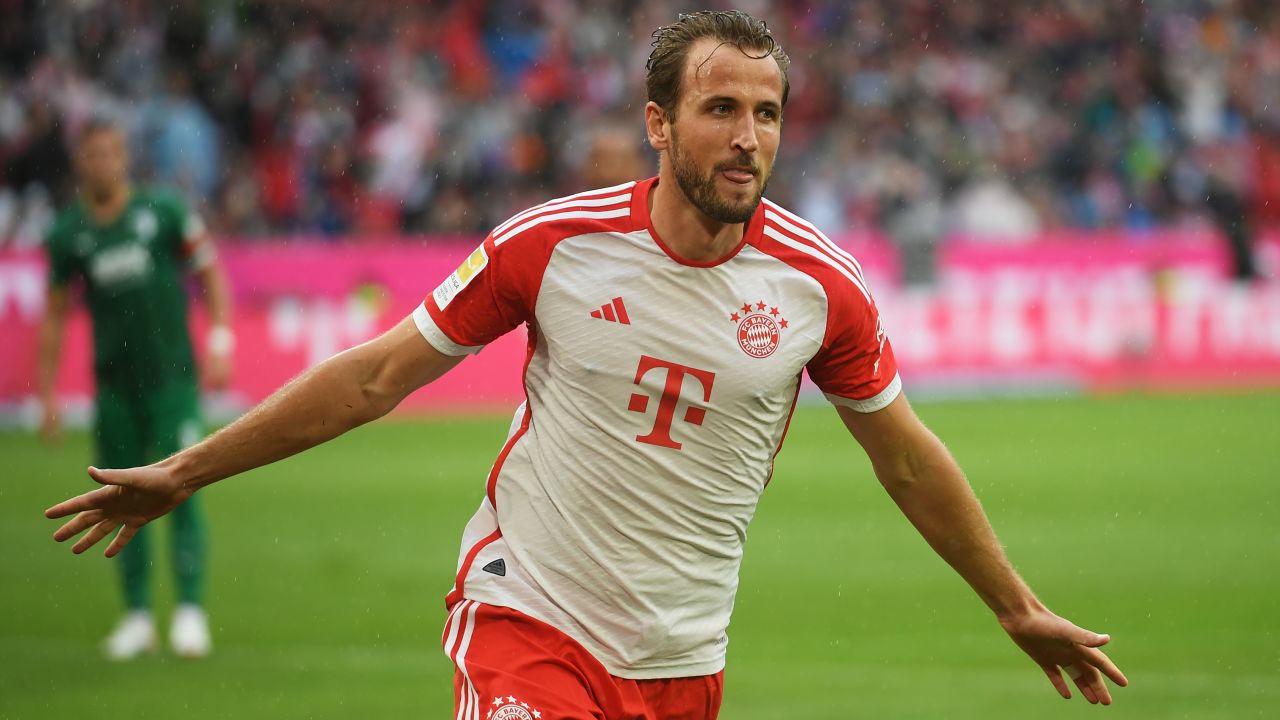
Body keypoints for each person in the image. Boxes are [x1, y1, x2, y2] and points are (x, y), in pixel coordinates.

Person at [45, 11, 1126, 717]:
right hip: (528, 620)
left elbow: (903, 458)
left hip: (681, 662)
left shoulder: (820, 287)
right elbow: (375, 377)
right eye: (719, 109)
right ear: (658, 125)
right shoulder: (548, 244)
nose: (746, 135)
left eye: (765, 113)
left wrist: (1011, 604)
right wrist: (187, 470)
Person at [38, 118, 233, 661]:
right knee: (119, 497)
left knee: (185, 485)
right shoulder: (68, 235)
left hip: (172, 382)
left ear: (123, 157)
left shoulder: (163, 212)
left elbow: (210, 272)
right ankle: (138, 617)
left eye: (111, 153)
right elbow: (54, 316)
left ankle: (191, 611)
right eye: (92, 155)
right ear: (81, 163)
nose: (102, 163)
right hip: (115, 391)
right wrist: (48, 392)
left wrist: (220, 337)